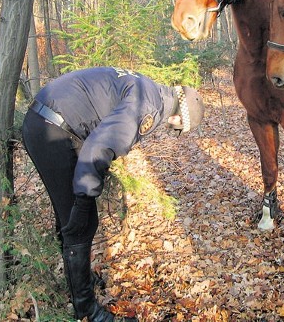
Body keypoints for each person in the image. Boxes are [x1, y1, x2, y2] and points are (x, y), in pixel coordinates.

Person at [21, 67, 204, 322]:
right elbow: (98, 149)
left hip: (49, 120)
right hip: (51, 128)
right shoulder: (149, 107)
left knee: (71, 215)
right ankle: (87, 311)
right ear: (178, 119)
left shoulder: (151, 89)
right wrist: (85, 198)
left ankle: (80, 279)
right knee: (80, 221)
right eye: (178, 129)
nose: (172, 130)